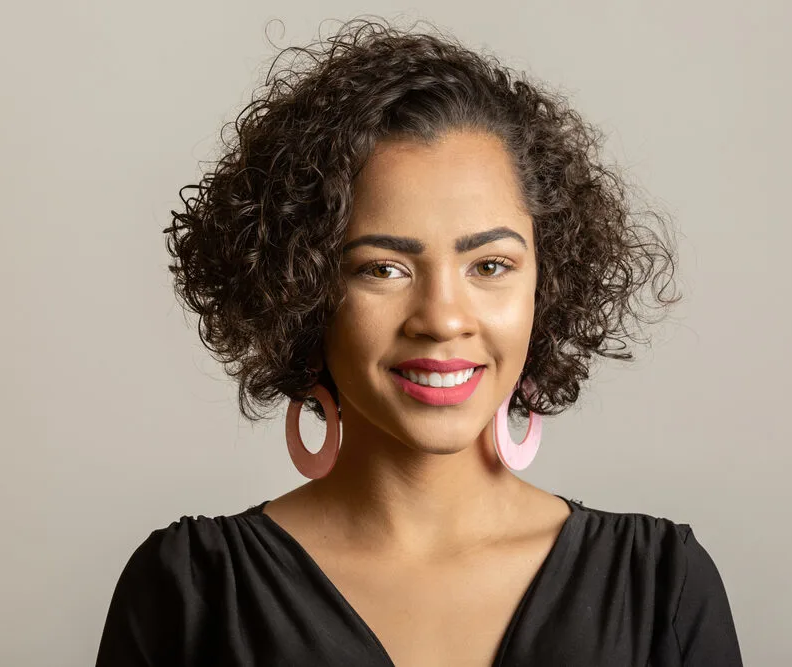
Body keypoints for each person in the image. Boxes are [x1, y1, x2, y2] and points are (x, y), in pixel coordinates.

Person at [95, 17, 743, 666]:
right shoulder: (191, 595)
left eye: (489, 265)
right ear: (301, 287)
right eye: (384, 268)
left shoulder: (662, 590)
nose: (441, 317)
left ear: (547, 287)